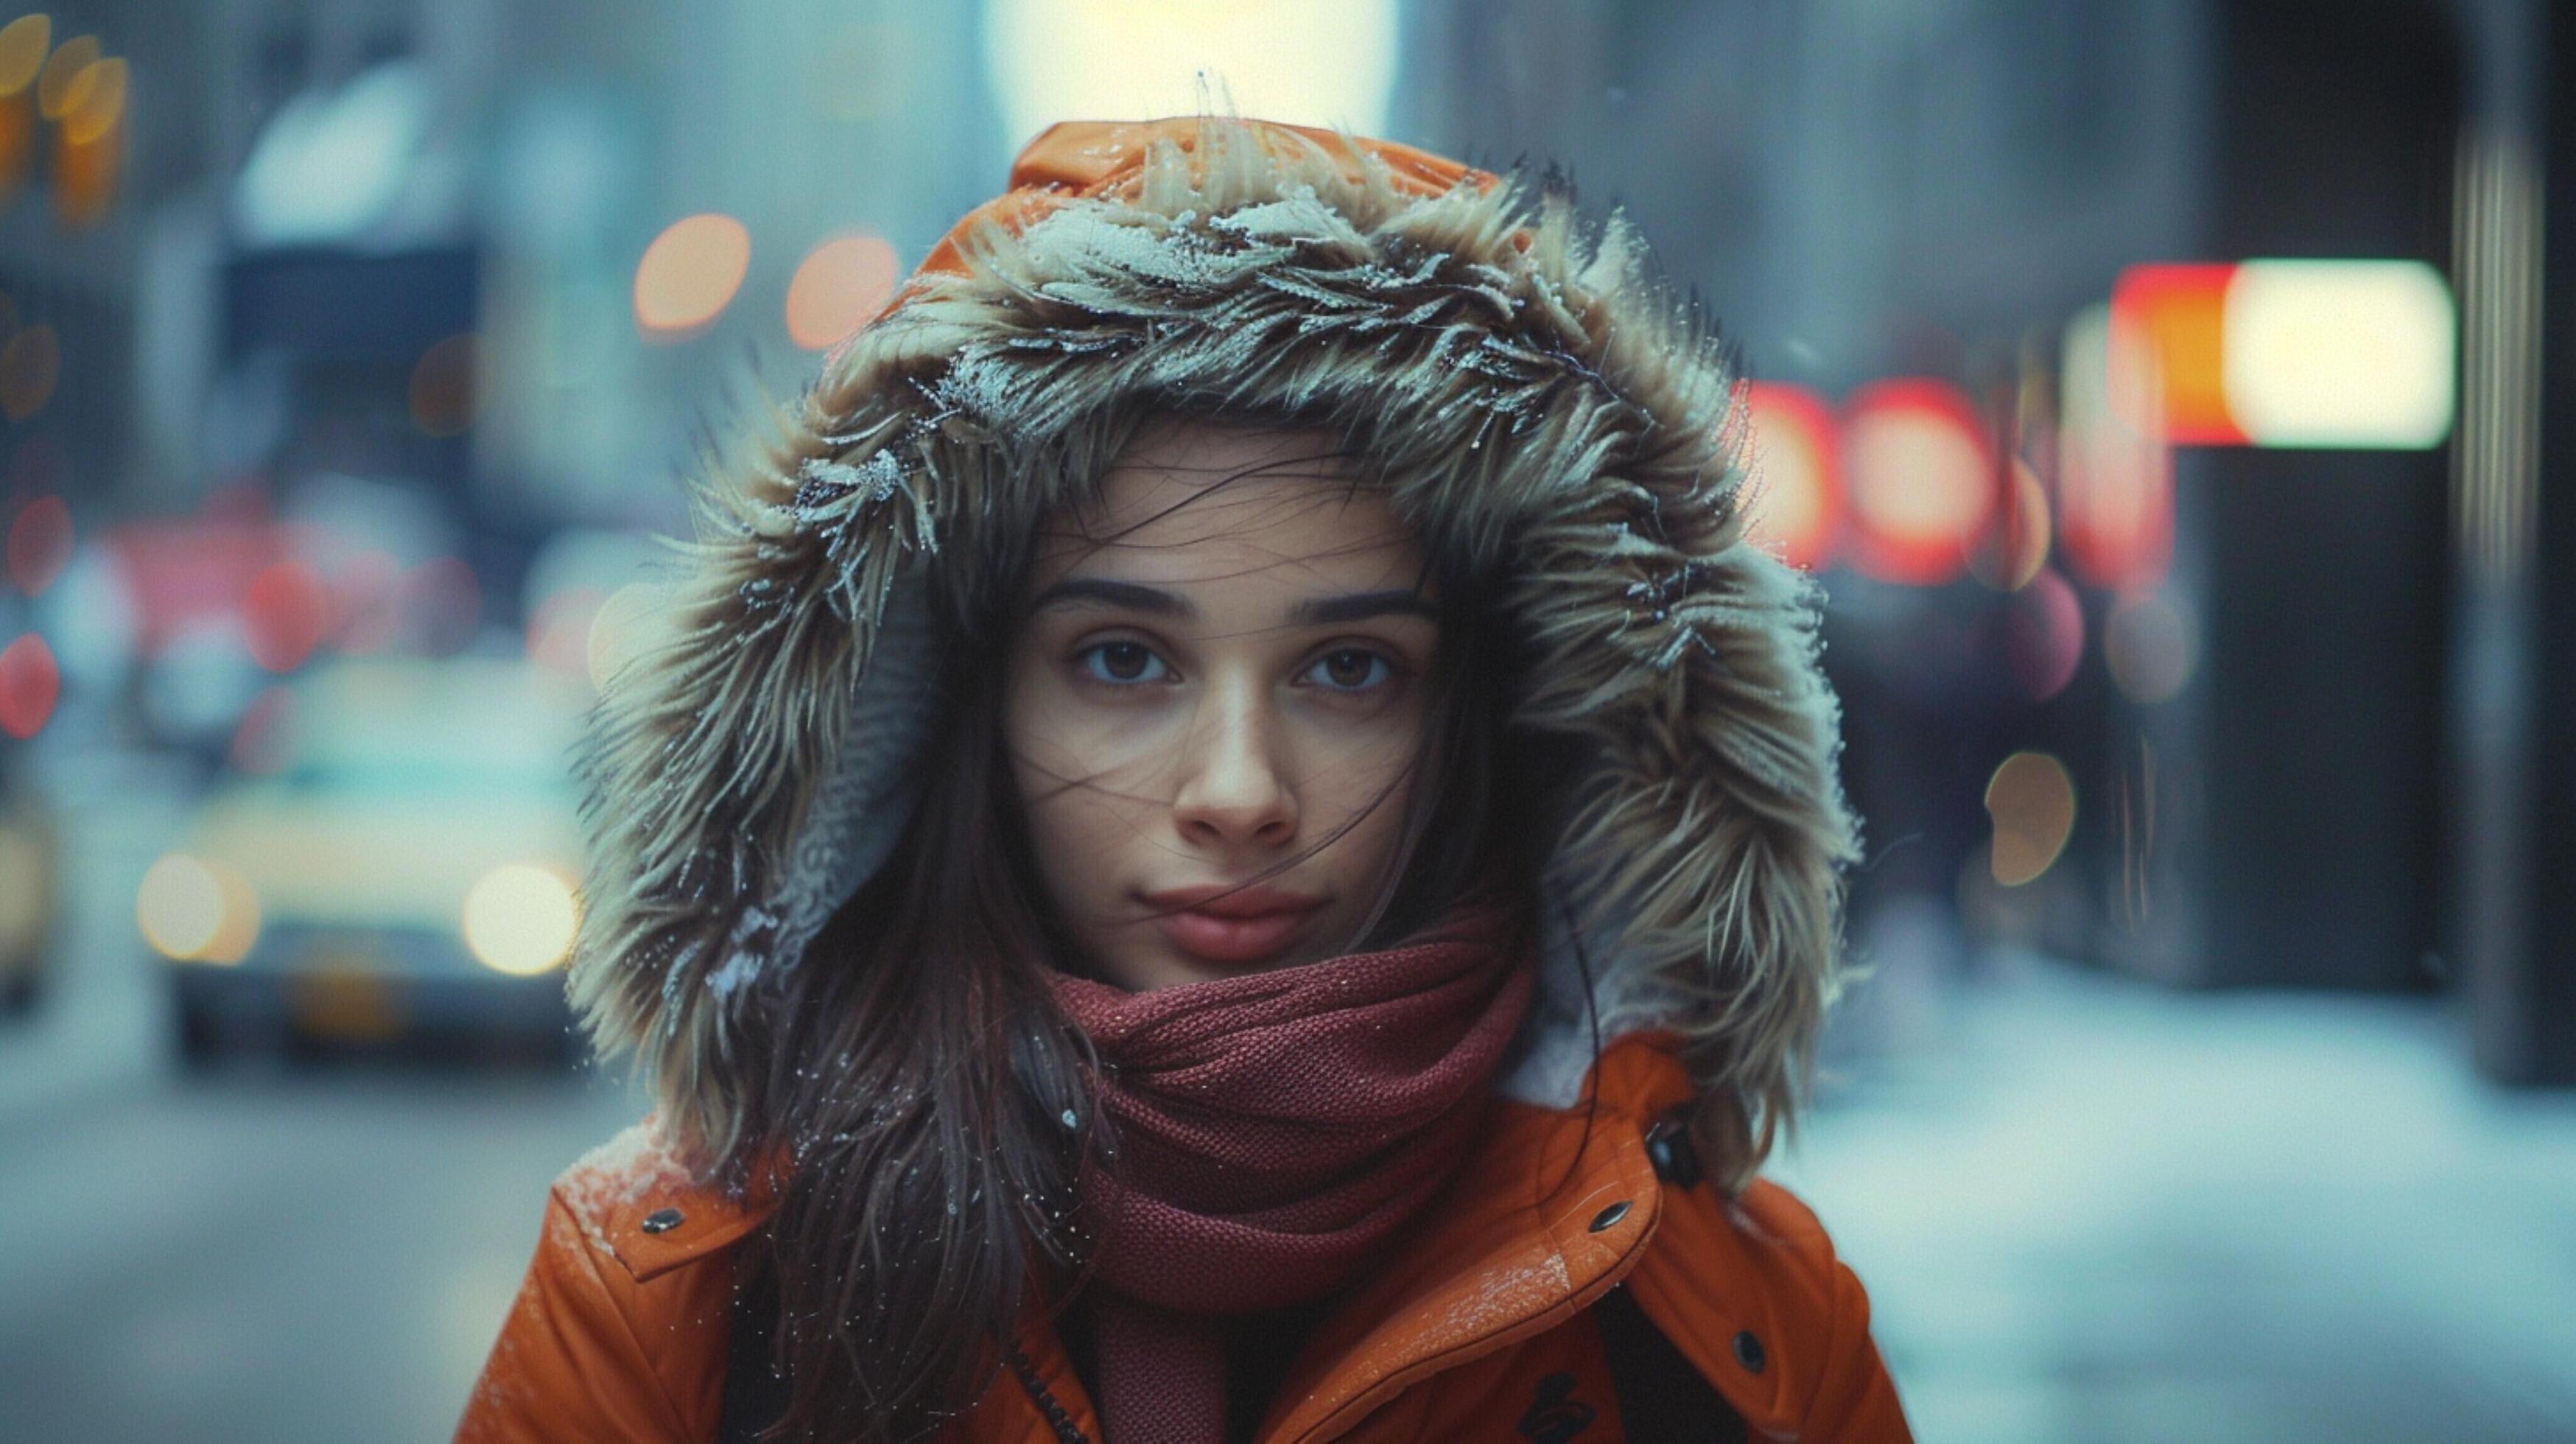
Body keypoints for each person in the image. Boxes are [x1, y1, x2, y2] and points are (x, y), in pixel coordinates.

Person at [459, 116, 1910, 1443]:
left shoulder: (1741, 1343)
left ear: (1482, 711)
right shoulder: (673, 1303)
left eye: (1350, 669)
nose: (1238, 791)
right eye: (1122, 659)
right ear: (959, 696)